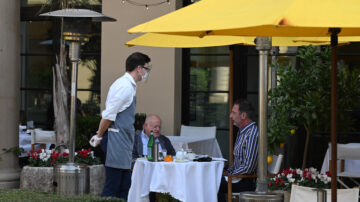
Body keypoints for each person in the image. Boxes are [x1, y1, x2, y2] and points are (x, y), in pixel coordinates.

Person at [89, 52, 151, 200]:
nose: (147, 73)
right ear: (138, 68)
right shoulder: (125, 87)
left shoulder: (128, 85)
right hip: (116, 141)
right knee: (113, 186)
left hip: (122, 141)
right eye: (146, 69)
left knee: (125, 185)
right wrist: (99, 136)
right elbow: (109, 115)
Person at [218, 99, 259, 202]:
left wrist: (230, 175)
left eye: (233, 112)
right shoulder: (242, 132)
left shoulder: (252, 134)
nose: (230, 116)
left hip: (245, 182)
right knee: (212, 180)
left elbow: (248, 167)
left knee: (213, 184)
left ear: (243, 116)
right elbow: (238, 163)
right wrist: (227, 171)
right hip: (237, 178)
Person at [132, 114, 176, 202]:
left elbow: (173, 155)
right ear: (145, 125)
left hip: (162, 173)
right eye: (155, 127)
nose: (158, 129)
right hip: (143, 173)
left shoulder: (164, 139)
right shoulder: (135, 138)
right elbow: (131, 158)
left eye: (159, 127)